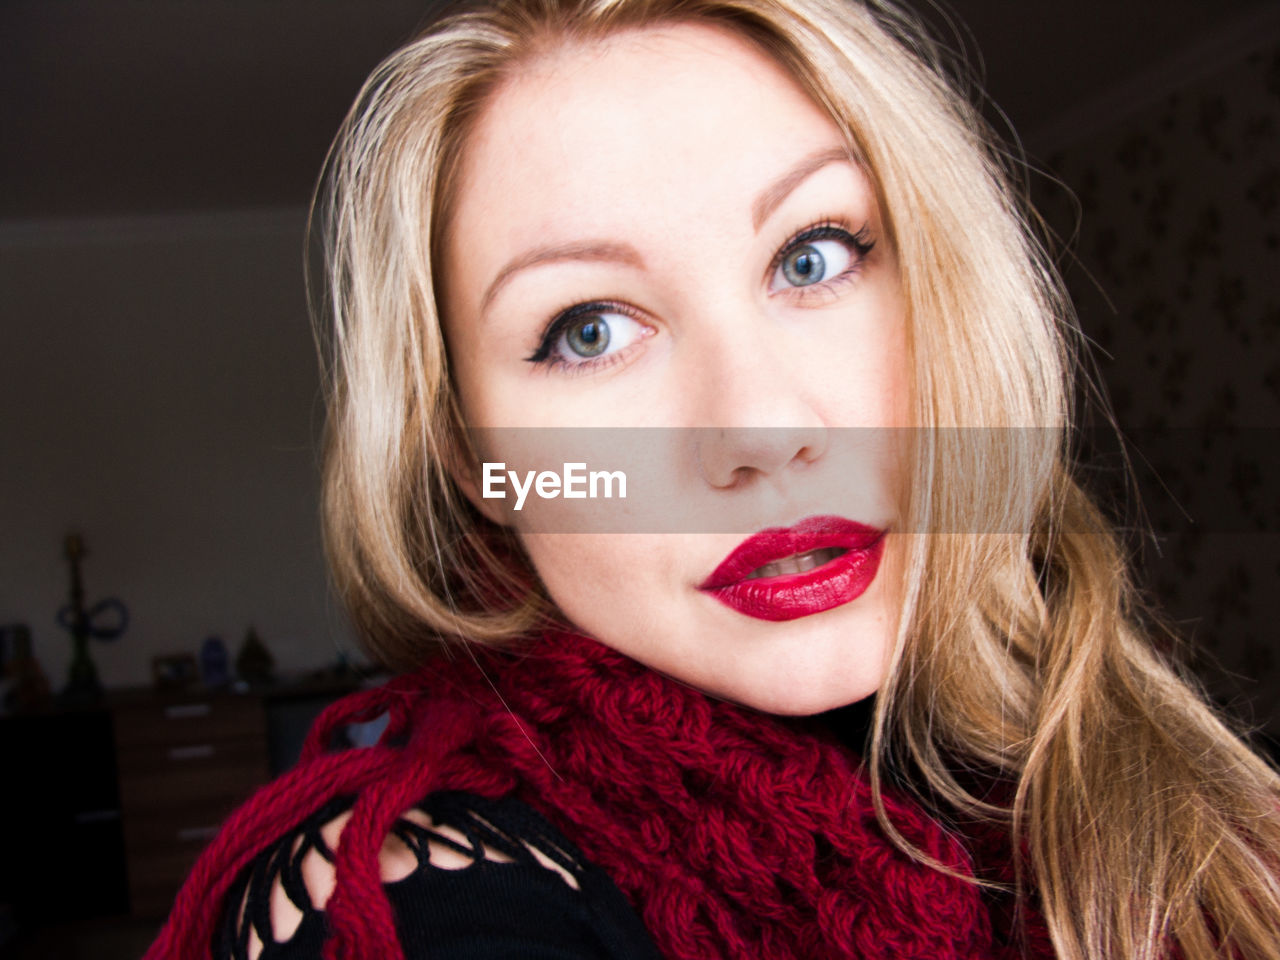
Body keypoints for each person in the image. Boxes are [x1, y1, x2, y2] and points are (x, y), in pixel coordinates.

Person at [145, 0, 1280, 957]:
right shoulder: (418, 897)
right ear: (474, 462)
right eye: (588, 329)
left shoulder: (1149, 781)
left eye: (812, 256)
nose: (763, 430)